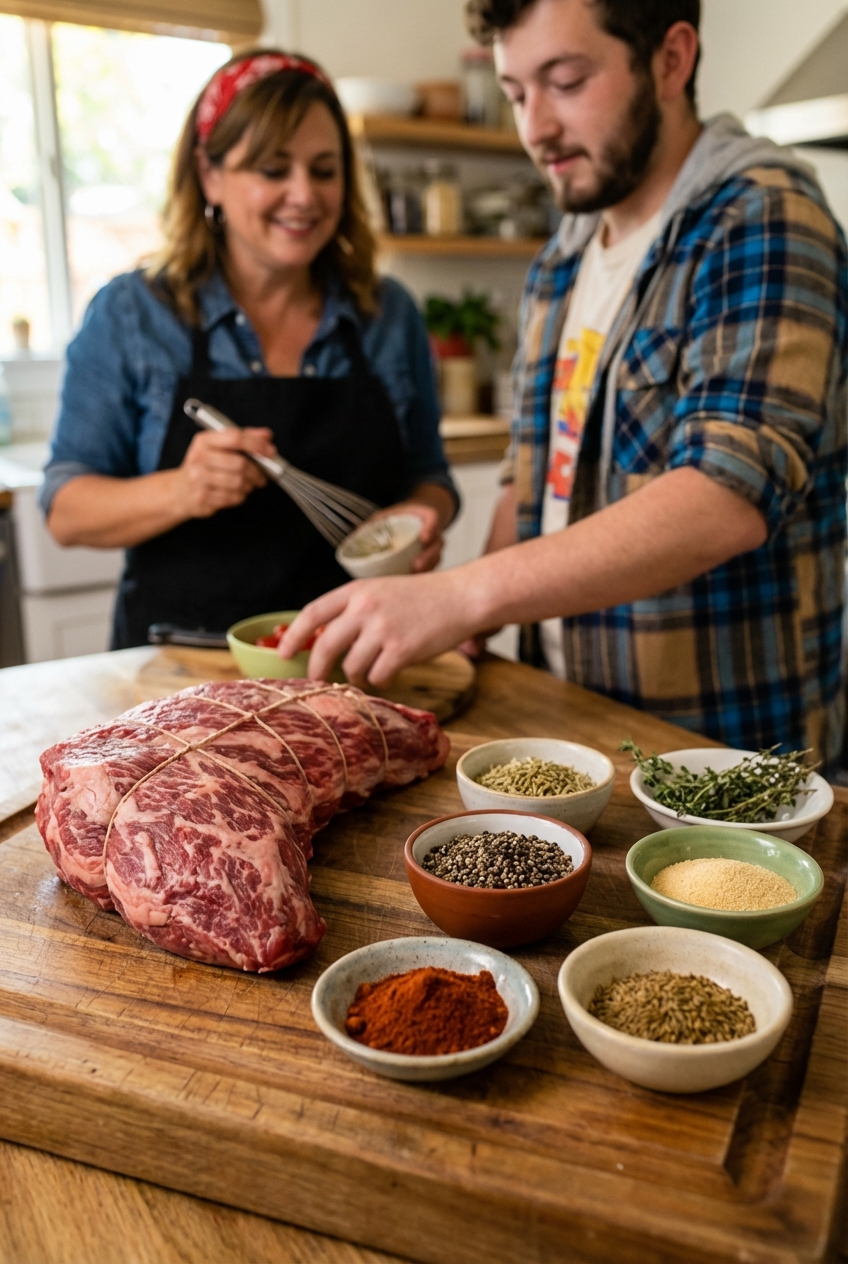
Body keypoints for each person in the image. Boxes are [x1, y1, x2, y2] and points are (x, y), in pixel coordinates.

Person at [282, 0, 848, 769]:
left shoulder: (763, 218)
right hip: (570, 718)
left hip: (724, 749)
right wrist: (468, 629)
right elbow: (531, 469)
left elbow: (728, 495)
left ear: (672, 60)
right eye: (516, 93)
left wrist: (462, 595)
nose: (535, 127)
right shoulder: (565, 254)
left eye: (567, 80)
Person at [42, 50, 457, 648]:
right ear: (210, 175)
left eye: (324, 169)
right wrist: (183, 489)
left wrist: (425, 514)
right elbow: (66, 509)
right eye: (271, 169)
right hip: (179, 669)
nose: (304, 195)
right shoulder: (133, 314)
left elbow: (429, 475)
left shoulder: (388, 314)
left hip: (351, 657)